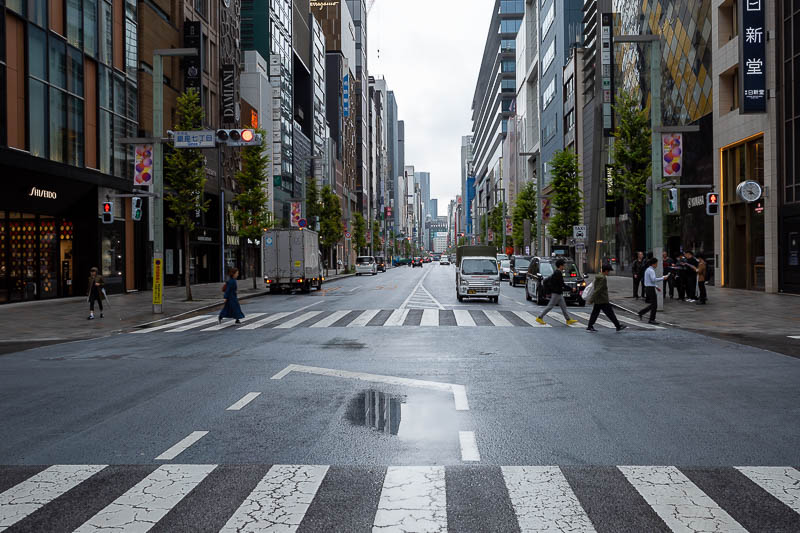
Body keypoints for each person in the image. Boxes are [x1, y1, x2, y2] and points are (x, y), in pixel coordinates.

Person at [535, 258, 579, 326]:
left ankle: (568, 320)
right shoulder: (558, 273)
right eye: (563, 265)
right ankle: (539, 317)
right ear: (560, 266)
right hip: (556, 293)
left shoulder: (557, 272)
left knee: (563, 307)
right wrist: (571, 289)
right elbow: (562, 284)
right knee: (550, 306)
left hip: (558, 293)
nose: (564, 266)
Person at [586, 264, 627, 332]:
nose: (609, 273)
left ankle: (590, 326)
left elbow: (596, 289)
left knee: (595, 313)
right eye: (609, 271)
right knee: (610, 313)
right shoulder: (603, 278)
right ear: (606, 271)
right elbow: (598, 289)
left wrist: (593, 299)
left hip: (598, 300)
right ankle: (618, 326)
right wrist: (591, 299)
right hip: (603, 300)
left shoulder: (598, 276)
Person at [637, 258, 670, 324]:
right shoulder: (651, 270)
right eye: (656, 263)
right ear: (654, 264)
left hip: (648, 288)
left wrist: (656, 286)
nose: (657, 265)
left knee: (653, 304)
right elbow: (653, 279)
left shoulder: (648, 269)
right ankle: (651, 319)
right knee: (654, 305)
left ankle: (642, 312)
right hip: (650, 289)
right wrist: (663, 278)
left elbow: (649, 281)